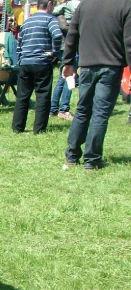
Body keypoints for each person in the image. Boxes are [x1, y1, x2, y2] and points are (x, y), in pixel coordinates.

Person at [62, 0, 131, 170]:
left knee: (82, 110)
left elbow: (72, 34)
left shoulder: (85, 4)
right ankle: (91, 160)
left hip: (86, 66)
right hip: (111, 66)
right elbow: (129, 42)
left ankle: (71, 155)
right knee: (100, 113)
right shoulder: (125, 5)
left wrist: (68, 62)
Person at [11, 0, 63, 134]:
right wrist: (54, 53)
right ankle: (39, 128)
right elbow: (57, 35)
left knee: (22, 96)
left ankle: (17, 127)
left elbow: (19, 42)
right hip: (42, 62)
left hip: (26, 62)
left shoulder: (27, 21)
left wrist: (21, 58)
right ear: (50, 4)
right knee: (43, 96)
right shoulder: (50, 19)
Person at [49, 0, 80, 120]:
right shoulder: (66, 11)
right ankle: (64, 109)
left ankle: (53, 109)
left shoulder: (58, 12)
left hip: (62, 47)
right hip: (68, 47)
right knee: (69, 76)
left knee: (62, 78)